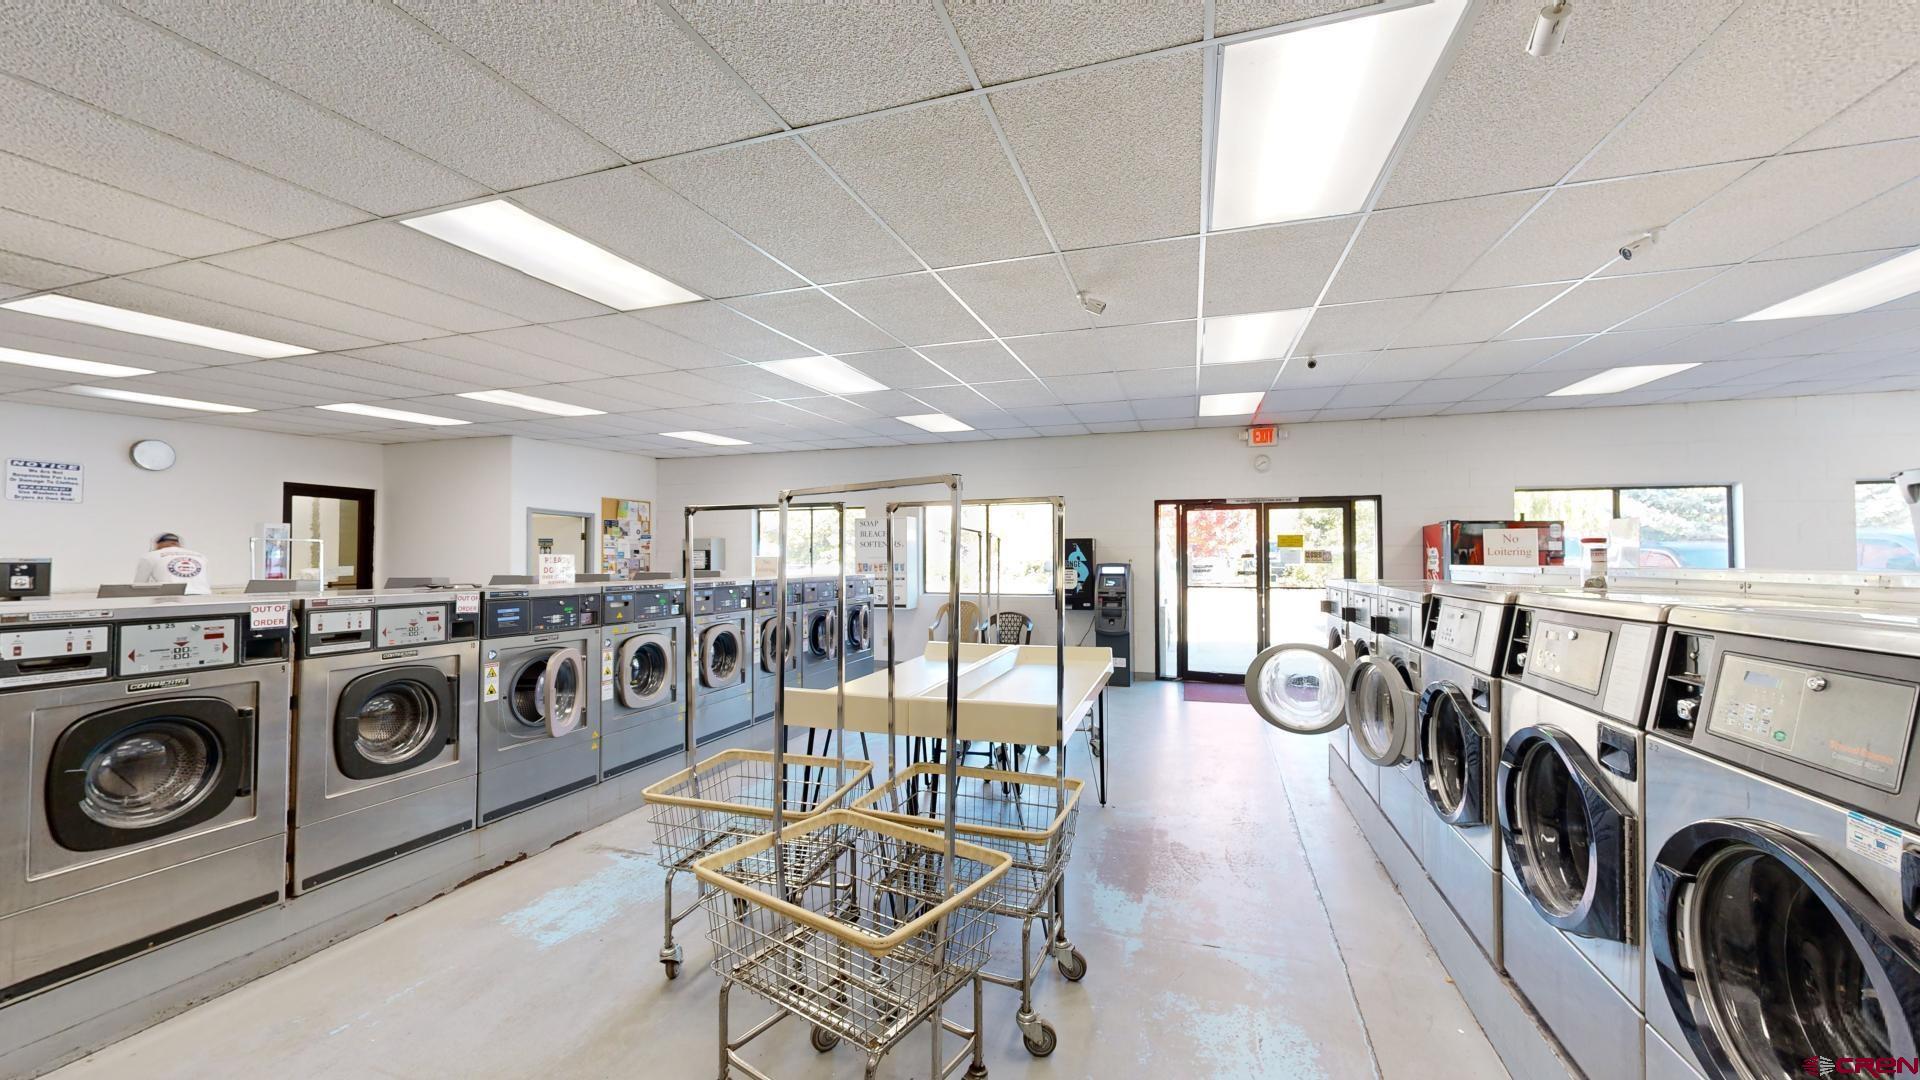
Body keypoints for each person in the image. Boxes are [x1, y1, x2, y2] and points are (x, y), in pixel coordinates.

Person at [132, 532, 211, 594]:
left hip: (170, 599)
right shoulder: (201, 556)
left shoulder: (149, 556)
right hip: (203, 595)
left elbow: (138, 586)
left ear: (159, 543)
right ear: (177, 543)